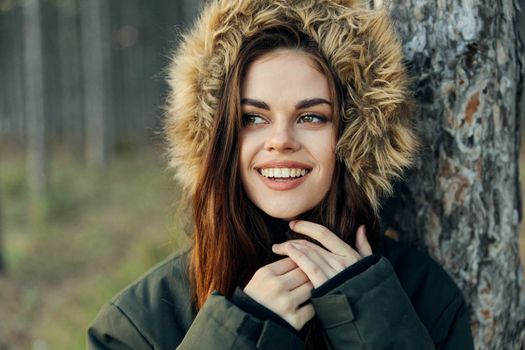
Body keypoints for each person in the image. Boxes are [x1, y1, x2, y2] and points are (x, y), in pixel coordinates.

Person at [87, 0, 474, 349]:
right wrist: (239, 334)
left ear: (357, 135)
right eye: (253, 117)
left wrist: (371, 322)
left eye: (311, 117)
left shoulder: (425, 297)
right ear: (218, 139)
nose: (281, 141)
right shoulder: (137, 324)